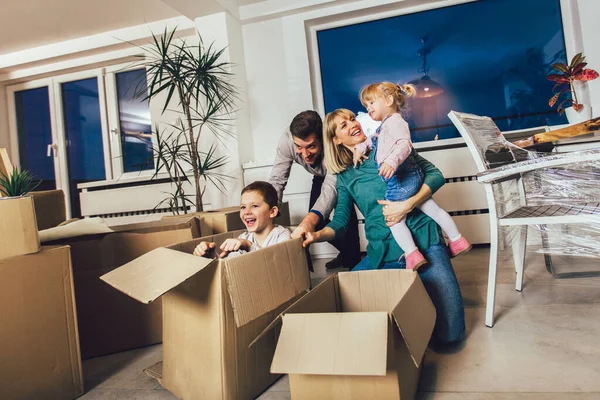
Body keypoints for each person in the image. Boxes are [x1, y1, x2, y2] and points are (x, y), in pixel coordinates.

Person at [302, 108, 465, 344]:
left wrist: (408, 205)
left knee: (451, 335)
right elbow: (341, 222)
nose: (352, 124)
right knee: (338, 304)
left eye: (352, 119)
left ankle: (418, 290)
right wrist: (316, 235)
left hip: (424, 243)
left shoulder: (392, 146)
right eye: (343, 125)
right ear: (335, 140)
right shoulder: (346, 175)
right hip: (383, 251)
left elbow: (435, 175)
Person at [354, 82, 472, 270]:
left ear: (389, 100)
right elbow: (372, 139)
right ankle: (457, 239)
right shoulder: (386, 124)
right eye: (366, 105)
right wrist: (360, 148)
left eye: (371, 103)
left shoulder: (396, 122)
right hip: (412, 178)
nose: (368, 109)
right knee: (431, 208)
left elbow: (404, 144)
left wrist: (391, 161)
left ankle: (412, 254)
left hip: (401, 180)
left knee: (393, 219)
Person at [269, 110, 361, 270]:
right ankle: (348, 253)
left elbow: (330, 188)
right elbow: (277, 179)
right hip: (320, 175)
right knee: (318, 224)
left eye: (311, 146)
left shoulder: (333, 141)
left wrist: (309, 220)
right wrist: (269, 209)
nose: (305, 154)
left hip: (340, 172)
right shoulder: (287, 140)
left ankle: (353, 262)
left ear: (322, 139)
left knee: (344, 216)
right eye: (299, 147)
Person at [193, 181, 291, 258]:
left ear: (272, 212)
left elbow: (280, 261)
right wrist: (211, 255)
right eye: (243, 207)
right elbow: (230, 267)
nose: (247, 212)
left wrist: (249, 246)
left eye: (254, 206)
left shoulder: (282, 235)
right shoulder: (243, 238)